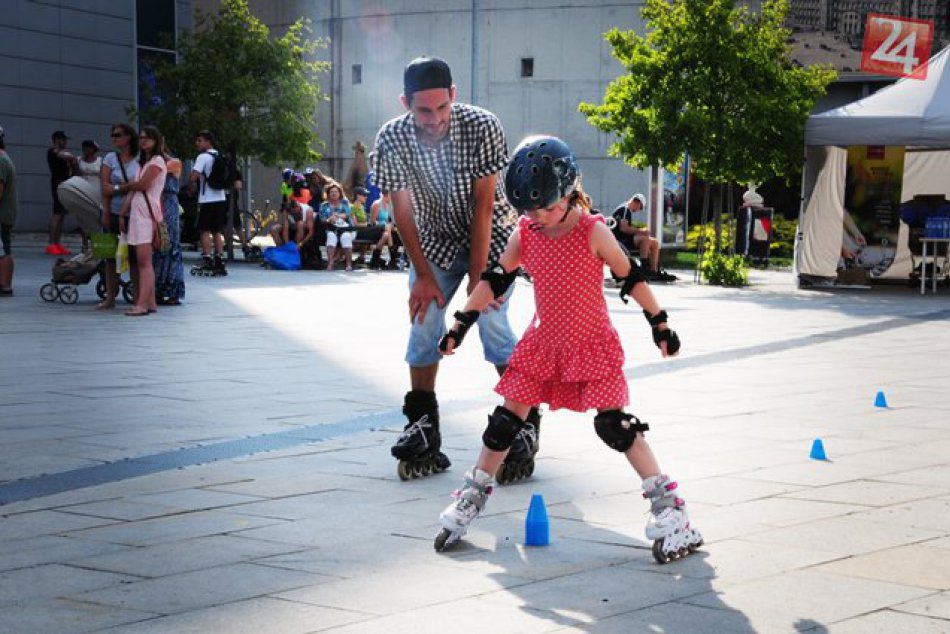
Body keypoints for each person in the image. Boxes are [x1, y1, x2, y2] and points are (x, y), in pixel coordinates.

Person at [433, 136, 703, 563]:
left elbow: (629, 275)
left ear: (569, 189)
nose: (539, 216)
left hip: (590, 342)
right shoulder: (527, 232)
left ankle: (672, 512)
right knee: (504, 423)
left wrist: (660, 323)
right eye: (530, 209)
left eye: (547, 206)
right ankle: (471, 498)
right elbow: (496, 278)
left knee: (614, 426)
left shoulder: (592, 229)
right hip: (542, 343)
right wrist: (462, 322)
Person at [370, 56, 536, 481]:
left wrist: (482, 282)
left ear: (453, 97)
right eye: (423, 110)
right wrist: (423, 276)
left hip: (493, 237)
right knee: (425, 319)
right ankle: (422, 424)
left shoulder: (482, 126)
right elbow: (402, 213)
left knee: (492, 323)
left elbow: (484, 206)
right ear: (405, 102)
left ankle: (523, 422)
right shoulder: (392, 138)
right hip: (433, 242)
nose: (434, 119)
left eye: (442, 108)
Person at [118, 126, 166, 316]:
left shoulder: (157, 161)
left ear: (156, 141)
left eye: (147, 138)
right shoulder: (143, 163)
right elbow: (135, 189)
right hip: (138, 214)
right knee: (141, 261)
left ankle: (142, 304)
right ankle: (150, 302)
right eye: (141, 138)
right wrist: (123, 212)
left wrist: (126, 185)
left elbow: (142, 185)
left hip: (147, 214)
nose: (143, 141)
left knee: (144, 261)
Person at [99, 123, 139, 310]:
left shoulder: (140, 158)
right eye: (112, 136)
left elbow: (139, 185)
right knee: (108, 256)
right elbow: (104, 188)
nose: (114, 139)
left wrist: (117, 188)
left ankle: (138, 298)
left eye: (118, 135)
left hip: (135, 214)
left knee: (134, 257)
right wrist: (124, 187)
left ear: (129, 137)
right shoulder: (109, 158)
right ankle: (110, 298)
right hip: (110, 212)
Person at [188, 130, 228, 276]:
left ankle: (206, 259)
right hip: (221, 198)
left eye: (199, 141)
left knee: (204, 230)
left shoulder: (203, 157)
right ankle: (219, 259)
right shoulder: (219, 155)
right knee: (217, 231)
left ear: (207, 142)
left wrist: (190, 183)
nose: (196, 144)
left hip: (207, 199)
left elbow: (194, 176)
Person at [154, 149, 185, 305]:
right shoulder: (151, 163)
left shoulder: (174, 162)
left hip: (168, 205)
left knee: (170, 245)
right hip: (154, 204)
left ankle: (173, 291)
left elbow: (158, 170)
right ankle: (157, 290)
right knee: (158, 248)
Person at [613, 193, 662, 276]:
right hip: (621, 241)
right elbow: (623, 228)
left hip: (626, 239)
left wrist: (640, 231)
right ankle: (644, 268)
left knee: (654, 242)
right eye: (640, 207)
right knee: (644, 239)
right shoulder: (625, 209)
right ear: (637, 202)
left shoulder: (627, 210)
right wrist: (641, 231)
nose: (639, 210)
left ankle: (654, 270)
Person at [46, 130, 76, 255]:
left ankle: (57, 243)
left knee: (62, 214)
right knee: (57, 214)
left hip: (65, 186)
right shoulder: (53, 151)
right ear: (57, 140)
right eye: (63, 140)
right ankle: (51, 244)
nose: (65, 142)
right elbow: (65, 155)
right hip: (57, 186)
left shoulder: (61, 153)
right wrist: (71, 157)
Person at [319, 181, 355, 271]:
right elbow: (322, 219)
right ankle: (330, 263)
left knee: (346, 237)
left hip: (346, 228)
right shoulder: (324, 205)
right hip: (331, 228)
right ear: (328, 194)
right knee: (331, 236)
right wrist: (329, 219)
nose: (334, 193)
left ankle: (348, 264)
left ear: (340, 193)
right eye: (331, 192)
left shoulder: (345, 203)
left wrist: (339, 216)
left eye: (336, 192)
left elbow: (348, 214)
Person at [0, 125, 17, 296]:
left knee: (4, 248)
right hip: (6, 212)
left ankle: (4, 285)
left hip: (2, 213)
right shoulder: (4, 157)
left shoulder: (0, 160)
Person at [369, 190, 398, 269]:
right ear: (387, 195)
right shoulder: (377, 204)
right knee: (386, 232)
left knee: (386, 234)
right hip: (376, 228)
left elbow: (392, 220)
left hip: (387, 230)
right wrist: (383, 225)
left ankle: (375, 259)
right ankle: (393, 259)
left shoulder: (390, 205)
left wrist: (391, 224)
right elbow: (373, 221)